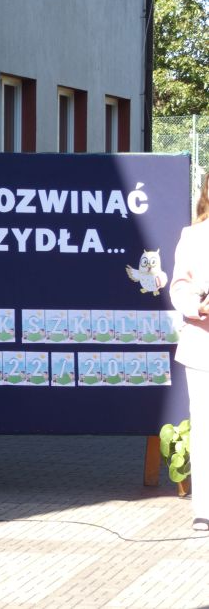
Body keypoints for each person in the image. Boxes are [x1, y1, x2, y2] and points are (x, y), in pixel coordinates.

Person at [170, 172, 209, 531]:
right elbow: (179, 287)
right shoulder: (193, 237)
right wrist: (197, 306)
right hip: (203, 344)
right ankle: (205, 510)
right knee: (205, 427)